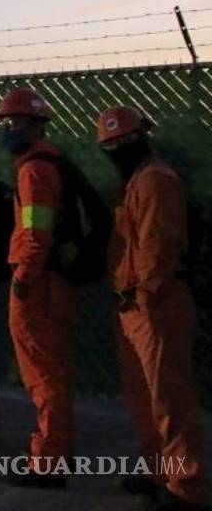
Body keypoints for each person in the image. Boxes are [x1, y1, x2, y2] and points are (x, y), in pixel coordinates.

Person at [99, 106, 209, 508]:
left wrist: (142, 296)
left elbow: (157, 250)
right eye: (112, 144)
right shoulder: (137, 181)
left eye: (122, 142)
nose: (118, 149)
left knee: (169, 400)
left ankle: (188, 487)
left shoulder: (155, 181)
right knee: (145, 398)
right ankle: (161, 470)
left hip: (156, 304)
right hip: (138, 303)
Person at [0, 87, 76, 489]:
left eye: (13, 123)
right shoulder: (52, 162)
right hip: (50, 282)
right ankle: (56, 450)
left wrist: (24, 280)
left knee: (42, 375)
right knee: (52, 372)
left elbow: (36, 233)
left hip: (37, 284)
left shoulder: (34, 169)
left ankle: (48, 461)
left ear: (35, 125)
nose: (7, 130)